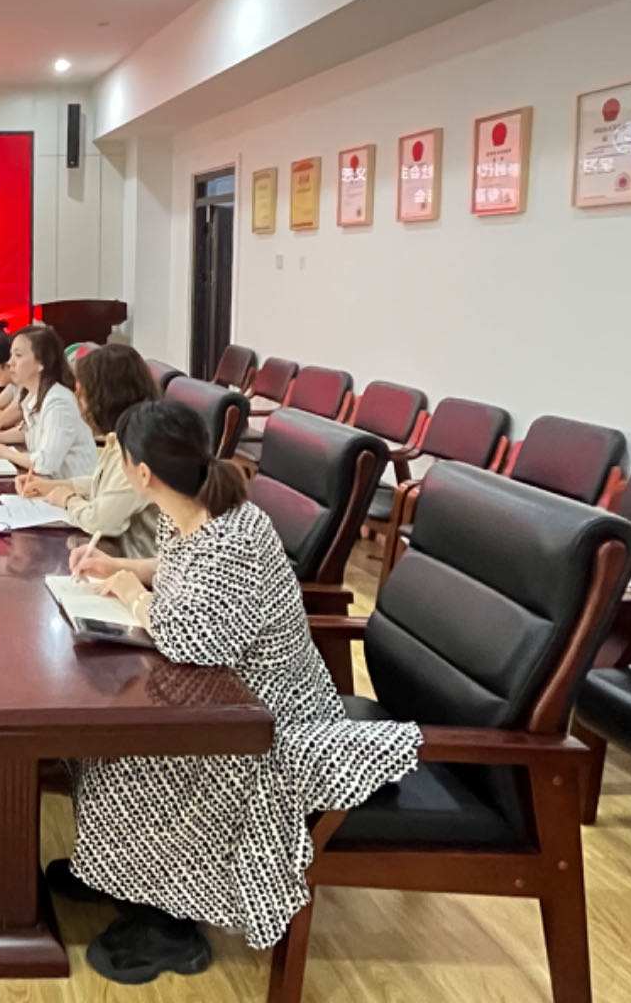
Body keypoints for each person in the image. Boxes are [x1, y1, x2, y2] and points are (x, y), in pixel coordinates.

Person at [51, 399, 420, 983]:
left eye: (118, 456)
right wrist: (123, 566)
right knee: (102, 743)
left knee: (136, 759)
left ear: (142, 472)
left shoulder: (235, 540)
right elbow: (177, 567)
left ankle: (171, 923)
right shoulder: (194, 510)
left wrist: (129, 593)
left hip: (268, 722)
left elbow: (193, 639)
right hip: (228, 697)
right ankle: (117, 873)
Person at [18, 344, 160, 557]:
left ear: (105, 396)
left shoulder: (138, 447)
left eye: (83, 393)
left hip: (136, 561)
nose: (79, 403)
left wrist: (68, 499)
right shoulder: (122, 435)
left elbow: (100, 522)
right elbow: (107, 486)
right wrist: (55, 486)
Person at [0, 325, 97, 478]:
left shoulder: (59, 402)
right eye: (11, 355)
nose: (10, 363)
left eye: (18, 355)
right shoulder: (33, 395)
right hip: (49, 484)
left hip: (71, 487)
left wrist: (5, 453)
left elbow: (45, 464)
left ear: (41, 362)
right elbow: (32, 434)